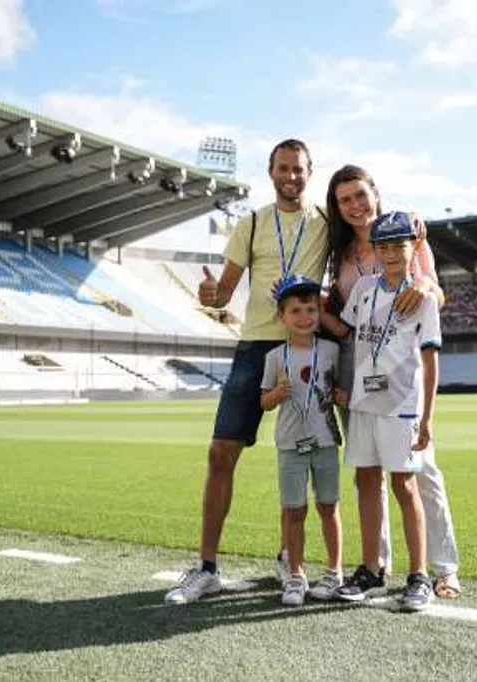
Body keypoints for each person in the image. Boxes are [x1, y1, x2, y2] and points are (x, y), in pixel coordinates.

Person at [165, 139, 329, 605]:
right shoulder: (252, 223)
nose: (291, 175)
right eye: (283, 168)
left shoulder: (324, 223)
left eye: (298, 169)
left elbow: (365, 229)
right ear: (271, 171)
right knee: (220, 452)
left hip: (306, 346)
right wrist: (209, 294)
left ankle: (288, 559)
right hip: (256, 343)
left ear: (309, 172)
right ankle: (207, 568)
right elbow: (222, 296)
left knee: (301, 456)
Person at [323, 164, 461, 599]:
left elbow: (434, 291)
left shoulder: (410, 234)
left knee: (419, 475)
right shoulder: (341, 253)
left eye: (360, 195)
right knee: (367, 474)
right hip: (360, 374)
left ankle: (439, 570)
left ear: (375, 194)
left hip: (403, 381)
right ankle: (374, 565)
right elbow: (344, 322)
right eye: (344, 200)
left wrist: (422, 285)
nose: (354, 206)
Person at [260, 275, 346, 606]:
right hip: (290, 445)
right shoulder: (274, 358)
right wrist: (277, 394)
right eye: (296, 310)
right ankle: (295, 575)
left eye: (311, 309)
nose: (305, 317)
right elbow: (263, 402)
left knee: (329, 507)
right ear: (282, 317)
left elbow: (338, 388)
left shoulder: (332, 350)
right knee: (294, 511)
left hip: (325, 441)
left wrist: (339, 395)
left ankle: (334, 571)